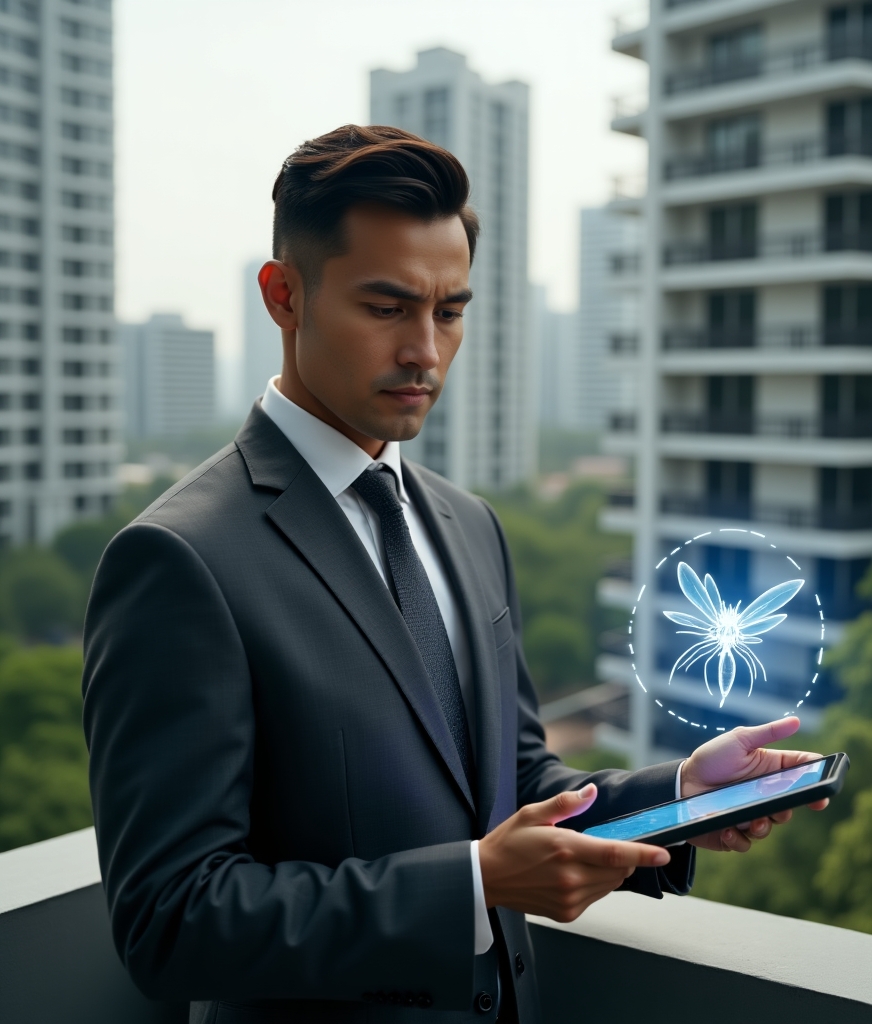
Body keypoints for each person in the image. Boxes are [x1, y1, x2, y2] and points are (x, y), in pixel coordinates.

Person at [82, 125, 826, 1024]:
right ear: (284, 296)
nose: (426, 353)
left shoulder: (467, 524)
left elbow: (511, 778)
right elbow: (169, 920)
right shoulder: (180, 560)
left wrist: (677, 799)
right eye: (388, 307)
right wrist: (469, 885)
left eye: (450, 311)